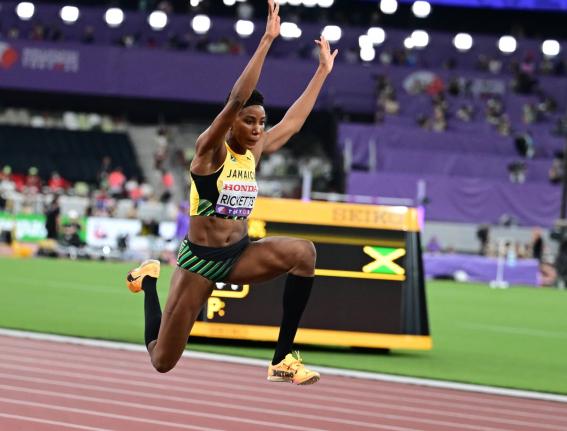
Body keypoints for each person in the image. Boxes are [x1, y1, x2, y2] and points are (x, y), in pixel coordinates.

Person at [126, 0, 338, 385]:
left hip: (239, 254)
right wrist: (266, 41)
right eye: (249, 121)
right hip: (200, 262)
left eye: (261, 122)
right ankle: (150, 280)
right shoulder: (209, 151)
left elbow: (292, 123)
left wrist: (322, 72)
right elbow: (237, 98)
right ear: (232, 123)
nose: (258, 129)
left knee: (303, 253)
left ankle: (282, 359)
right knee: (162, 360)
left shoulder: (254, 151)